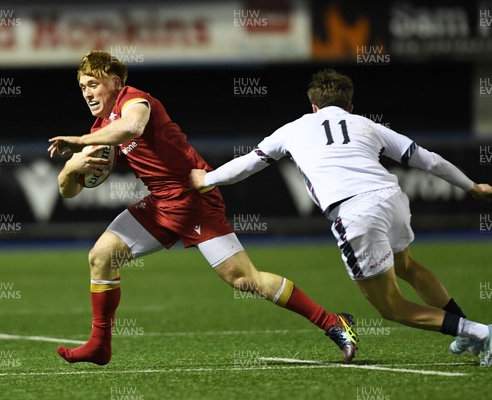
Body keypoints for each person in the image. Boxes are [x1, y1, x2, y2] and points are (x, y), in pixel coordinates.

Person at [47, 52, 357, 366]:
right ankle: (100, 345)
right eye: (83, 87)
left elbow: (134, 127)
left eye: (93, 85)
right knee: (101, 256)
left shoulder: (135, 101)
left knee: (244, 280)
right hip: (160, 205)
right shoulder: (101, 129)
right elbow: (70, 192)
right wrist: (69, 170)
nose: (87, 92)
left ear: (114, 83)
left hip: (194, 199)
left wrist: (82, 140)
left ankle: (331, 321)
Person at [189, 68, 492, 367]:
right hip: (392, 197)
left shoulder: (293, 128)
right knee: (407, 266)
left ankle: (481, 332)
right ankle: (468, 331)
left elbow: (247, 164)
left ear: (313, 105)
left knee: (392, 307)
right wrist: (472, 186)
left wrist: (207, 179)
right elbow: (429, 160)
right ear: (350, 105)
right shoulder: (367, 124)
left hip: (356, 212)